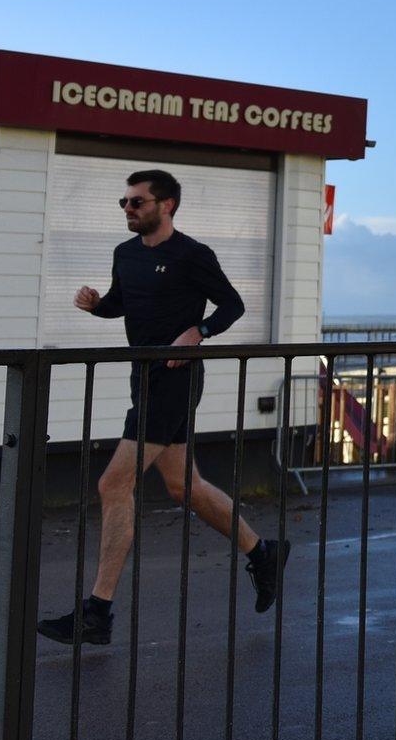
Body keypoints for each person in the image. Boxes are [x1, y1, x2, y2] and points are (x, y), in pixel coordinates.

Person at [37, 169, 290, 645]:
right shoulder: (125, 254)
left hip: (176, 380)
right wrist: (95, 305)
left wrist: (200, 332)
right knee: (183, 487)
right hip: (143, 377)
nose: (128, 209)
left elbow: (231, 305)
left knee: (114, 483)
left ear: (166, 205)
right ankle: (263, 552)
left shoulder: (193, 255)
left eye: (137, 202)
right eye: (124, 202)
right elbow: (121, 304)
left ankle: (97, 611)